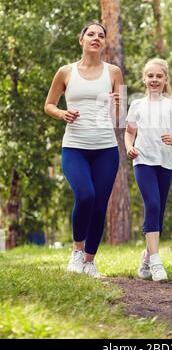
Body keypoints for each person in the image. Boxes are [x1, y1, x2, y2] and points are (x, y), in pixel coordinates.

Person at [44, 22, 122, 279]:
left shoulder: (113, 72)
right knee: (85, 196)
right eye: (91, 34)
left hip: (106, 149)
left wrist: (117, 105)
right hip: (75, 147)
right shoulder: (66, 72)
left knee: (100, 205)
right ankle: (77, 252)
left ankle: (90, 261)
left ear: (104, 43)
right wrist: (63, 113)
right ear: (82, 40)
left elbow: (119, 117)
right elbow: (49, 105)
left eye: (101, 35)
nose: (96, 38)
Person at [125, 58, 172, 282]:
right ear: (144, 78)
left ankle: (146, 256)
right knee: (151, 203)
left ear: (165, 79)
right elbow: (129, 132)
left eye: (158, 76)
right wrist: (130, 147)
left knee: (158, 212)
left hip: (165, 163)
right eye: (150, 76)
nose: (154, 80)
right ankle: (156, 261)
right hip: (142, 161)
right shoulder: (136, 105)